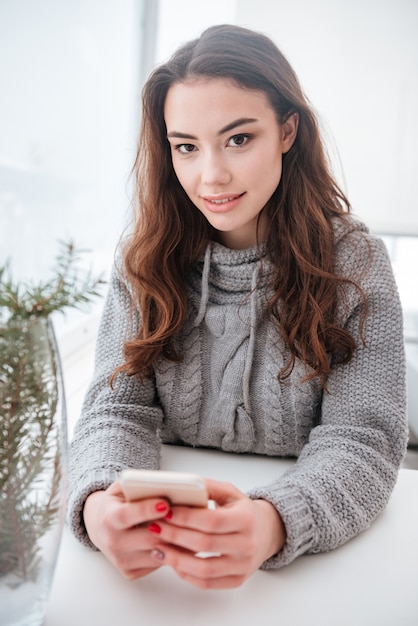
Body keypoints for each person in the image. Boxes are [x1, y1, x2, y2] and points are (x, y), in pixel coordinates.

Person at [67, 24, 408, 590]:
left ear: (287, 131)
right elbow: (114, 412)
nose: (211, 176)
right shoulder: (145, 258)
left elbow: (362, 442)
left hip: (307, 580)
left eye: (238, 139)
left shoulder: (357, 262)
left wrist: (274, 522)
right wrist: (100, 503)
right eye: (186, 146)